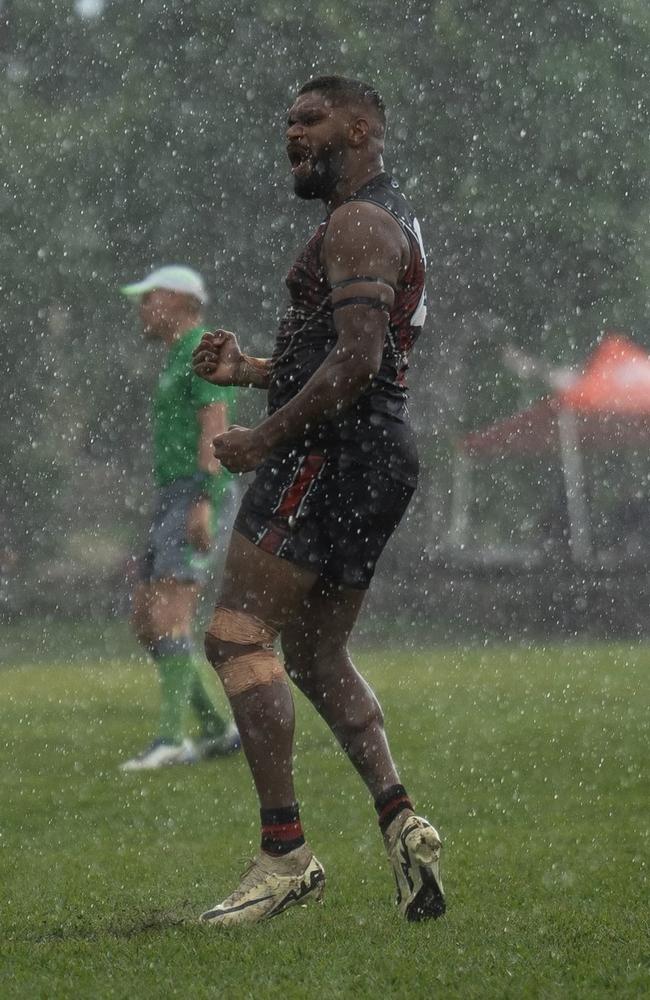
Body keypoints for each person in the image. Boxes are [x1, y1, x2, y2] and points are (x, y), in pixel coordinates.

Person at [192, 76, 445, 924]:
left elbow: (360, 362)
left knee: (235, 636)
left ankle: (284, 854)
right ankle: (400, 820)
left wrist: (263, 438)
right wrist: (254, 372)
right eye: (287, 119)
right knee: (314, 656)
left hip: (330, 452)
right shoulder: (388, 219)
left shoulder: (359, 222)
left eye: (310, 118)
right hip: (374, 454)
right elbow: (350, 355)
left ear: (363, 127)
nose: (290, 130)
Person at [119, 265, 241, 770]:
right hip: (172, 494)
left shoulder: (201, 352)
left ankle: (171, 739)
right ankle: (217, 730)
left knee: (172, 614)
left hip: (195, 492)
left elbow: (216, 427)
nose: (142, 309)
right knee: (147, 622)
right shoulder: (174, 355)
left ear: (176, 299)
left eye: (149, 298)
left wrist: (206, 500)